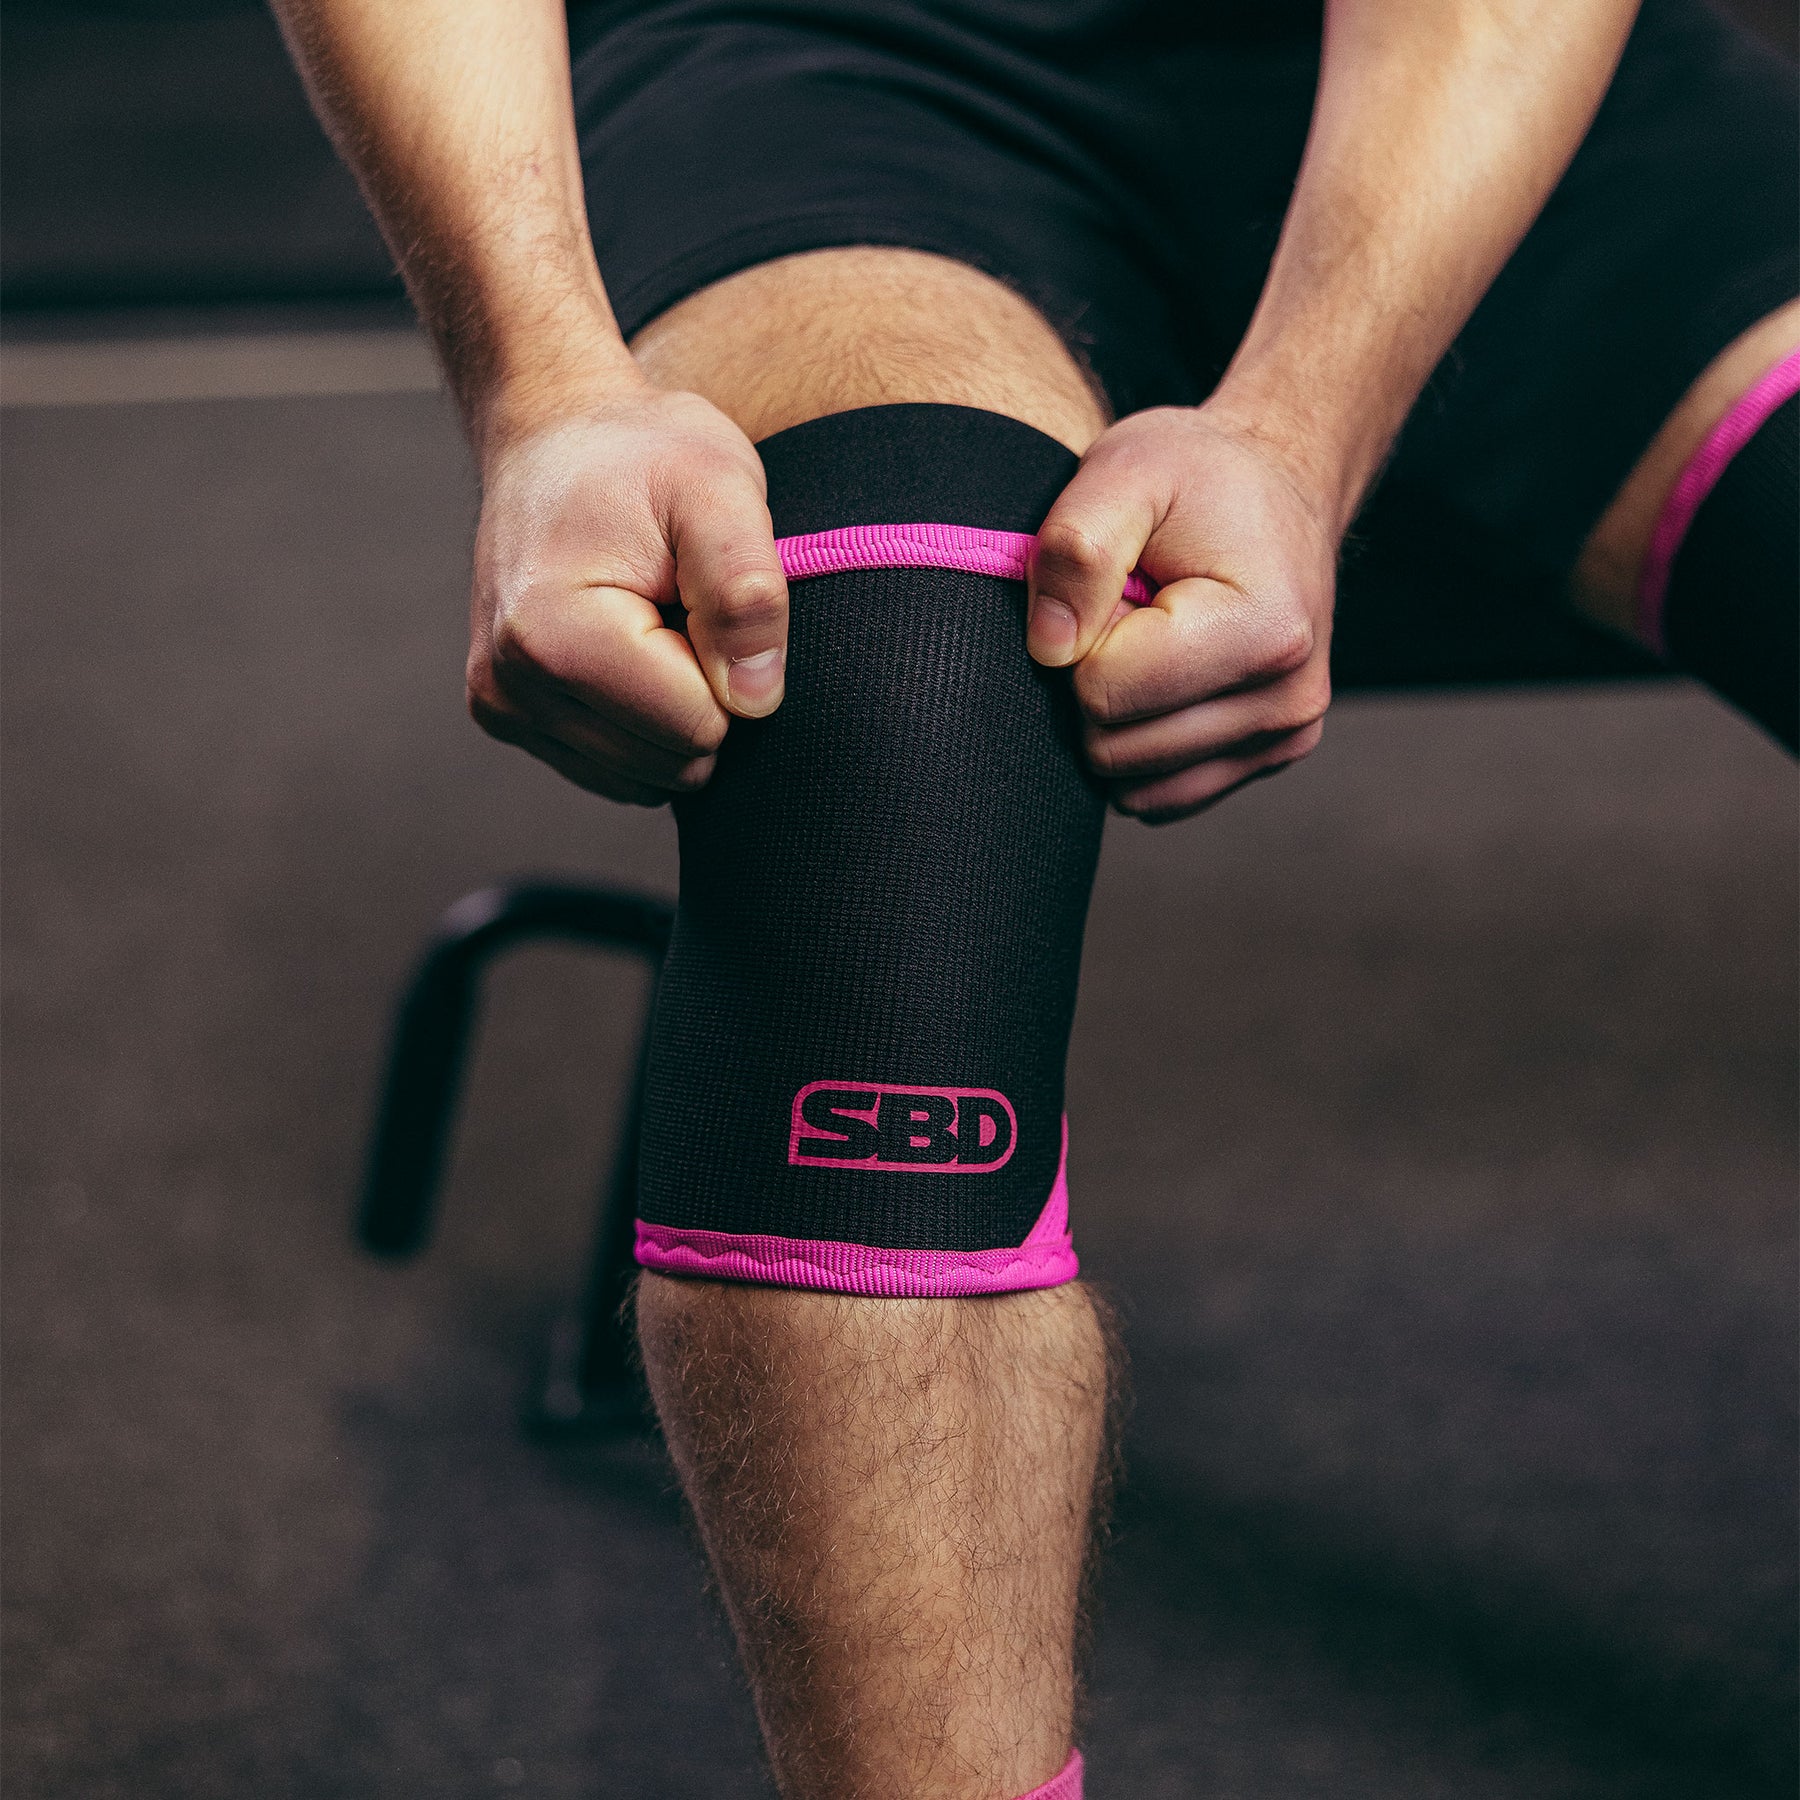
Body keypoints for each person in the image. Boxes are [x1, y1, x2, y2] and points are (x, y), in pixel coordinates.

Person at [271, 1, 1797, 1794]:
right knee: (891, 693)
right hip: (825, 62)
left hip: (1487, 102)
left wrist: (1302, 430)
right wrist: (543, 390)